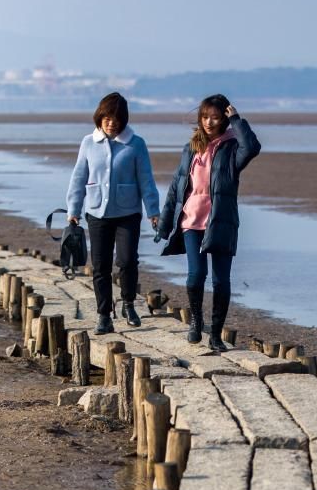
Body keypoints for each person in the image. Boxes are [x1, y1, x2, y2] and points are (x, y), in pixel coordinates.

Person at [156, 94, 260, 349]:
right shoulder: (191, 147)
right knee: (196, 275)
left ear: (223, 117)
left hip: (221, 221)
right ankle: (195, 322)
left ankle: (215, 334)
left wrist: (236, 119)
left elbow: (252, 147)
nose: (209, 122)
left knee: (221, 280)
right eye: (205, 117)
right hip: (191, 219)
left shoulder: (233, 148)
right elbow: (176, 187)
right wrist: (165, 223)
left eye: (215, 117)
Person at [66, 92, 160, 334]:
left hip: (128, 212)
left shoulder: (136, 144)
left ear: (124, 119)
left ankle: (128, 303)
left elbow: (147, 180)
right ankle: (103, 315)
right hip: (97, 213)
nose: (111, 122)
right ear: (100, 117)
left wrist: (153, 211)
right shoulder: (88, 142)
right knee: (100, 266)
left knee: (127, 261)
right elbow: (78, 178)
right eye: (107, 117)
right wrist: (73, 210)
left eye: (116, 118)